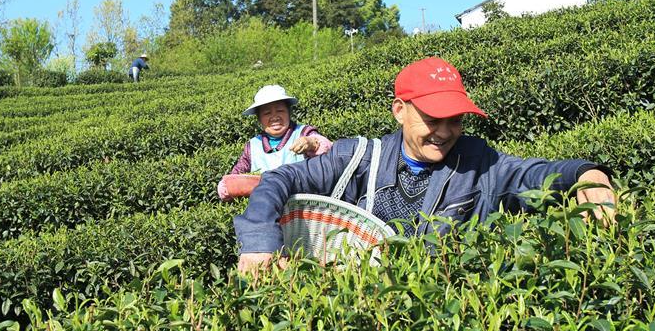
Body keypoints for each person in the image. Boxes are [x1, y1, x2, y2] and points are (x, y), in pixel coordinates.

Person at [234, 57, 615, 273]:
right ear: (400, 111)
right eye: (432, 119)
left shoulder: (479, 163)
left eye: (455, 120)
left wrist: (588, 174)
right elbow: (279, 180)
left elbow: (533, 174)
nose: (445, 132)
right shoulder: (358, 157)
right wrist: (260, 244)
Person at [218, 84, 333, 200]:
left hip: (304, 203)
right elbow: (235, 176)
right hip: (266, 205)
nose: (274, 117)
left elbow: (328, 149)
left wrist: (312, 143)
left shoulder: (303, 133)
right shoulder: (253, 146)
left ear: (289, 113)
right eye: (267, 113)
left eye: (280, 110)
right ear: (259, 119)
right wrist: (225, 187)